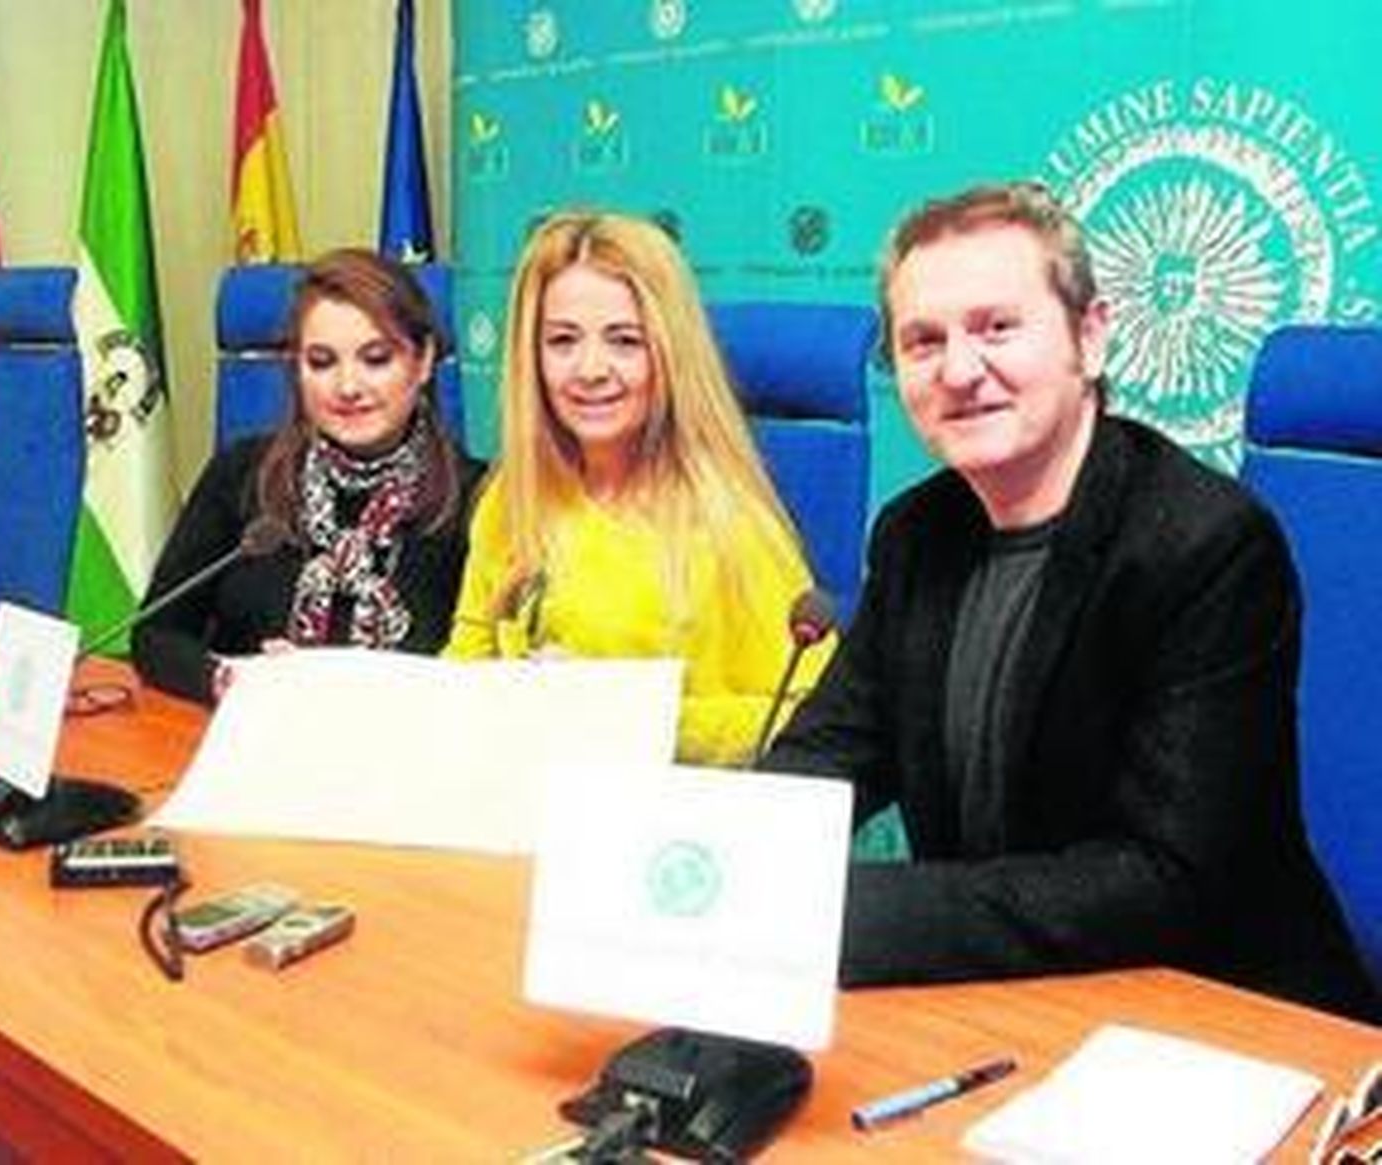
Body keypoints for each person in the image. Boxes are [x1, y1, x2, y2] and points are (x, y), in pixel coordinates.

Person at [763, 181, 1379, 1020]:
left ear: (1089, 337)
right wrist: (715, 865)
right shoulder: (914, 535)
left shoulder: (1204, 542)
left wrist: (840, 915)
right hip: (1007, 994)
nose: (958, 369)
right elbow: (825, 760)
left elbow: (1164, 879)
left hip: (1217, 1009)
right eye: (922, 340)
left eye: (996, 327)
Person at [443, 211, 824, 766]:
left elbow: (809, 718)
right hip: (521, 815)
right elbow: (466, 668)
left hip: (669, 831)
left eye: (624, 341)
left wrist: (626, 720)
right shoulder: (512, 496)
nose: (590, 369)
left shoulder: (731, 524)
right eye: (563, 340)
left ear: (669, 354)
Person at [132, 248, 482, 704]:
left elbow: (483, 675)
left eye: (375, 359)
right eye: (322, 362)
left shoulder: (477, 497)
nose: (348, 387)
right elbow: (156, 634)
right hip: (252, 745)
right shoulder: (242, 474)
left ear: (423, 360)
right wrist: (231, 681)